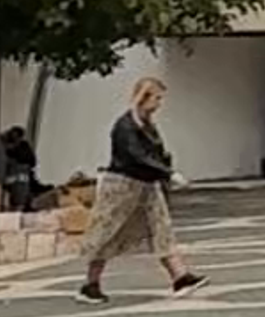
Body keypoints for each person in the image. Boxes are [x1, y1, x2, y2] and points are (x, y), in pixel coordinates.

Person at [82, 79, 200, 298]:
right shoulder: (125, 126)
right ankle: (90, 284)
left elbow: (156, 153)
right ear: (144, 97)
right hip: (122, 185)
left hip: (147, 184)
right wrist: (168, 173)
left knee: (161, 228)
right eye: (157, 98)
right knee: (107, 233)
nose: (159, 103)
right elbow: (136, 156)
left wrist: (166, 171)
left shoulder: (148, 125)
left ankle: (180, 276)